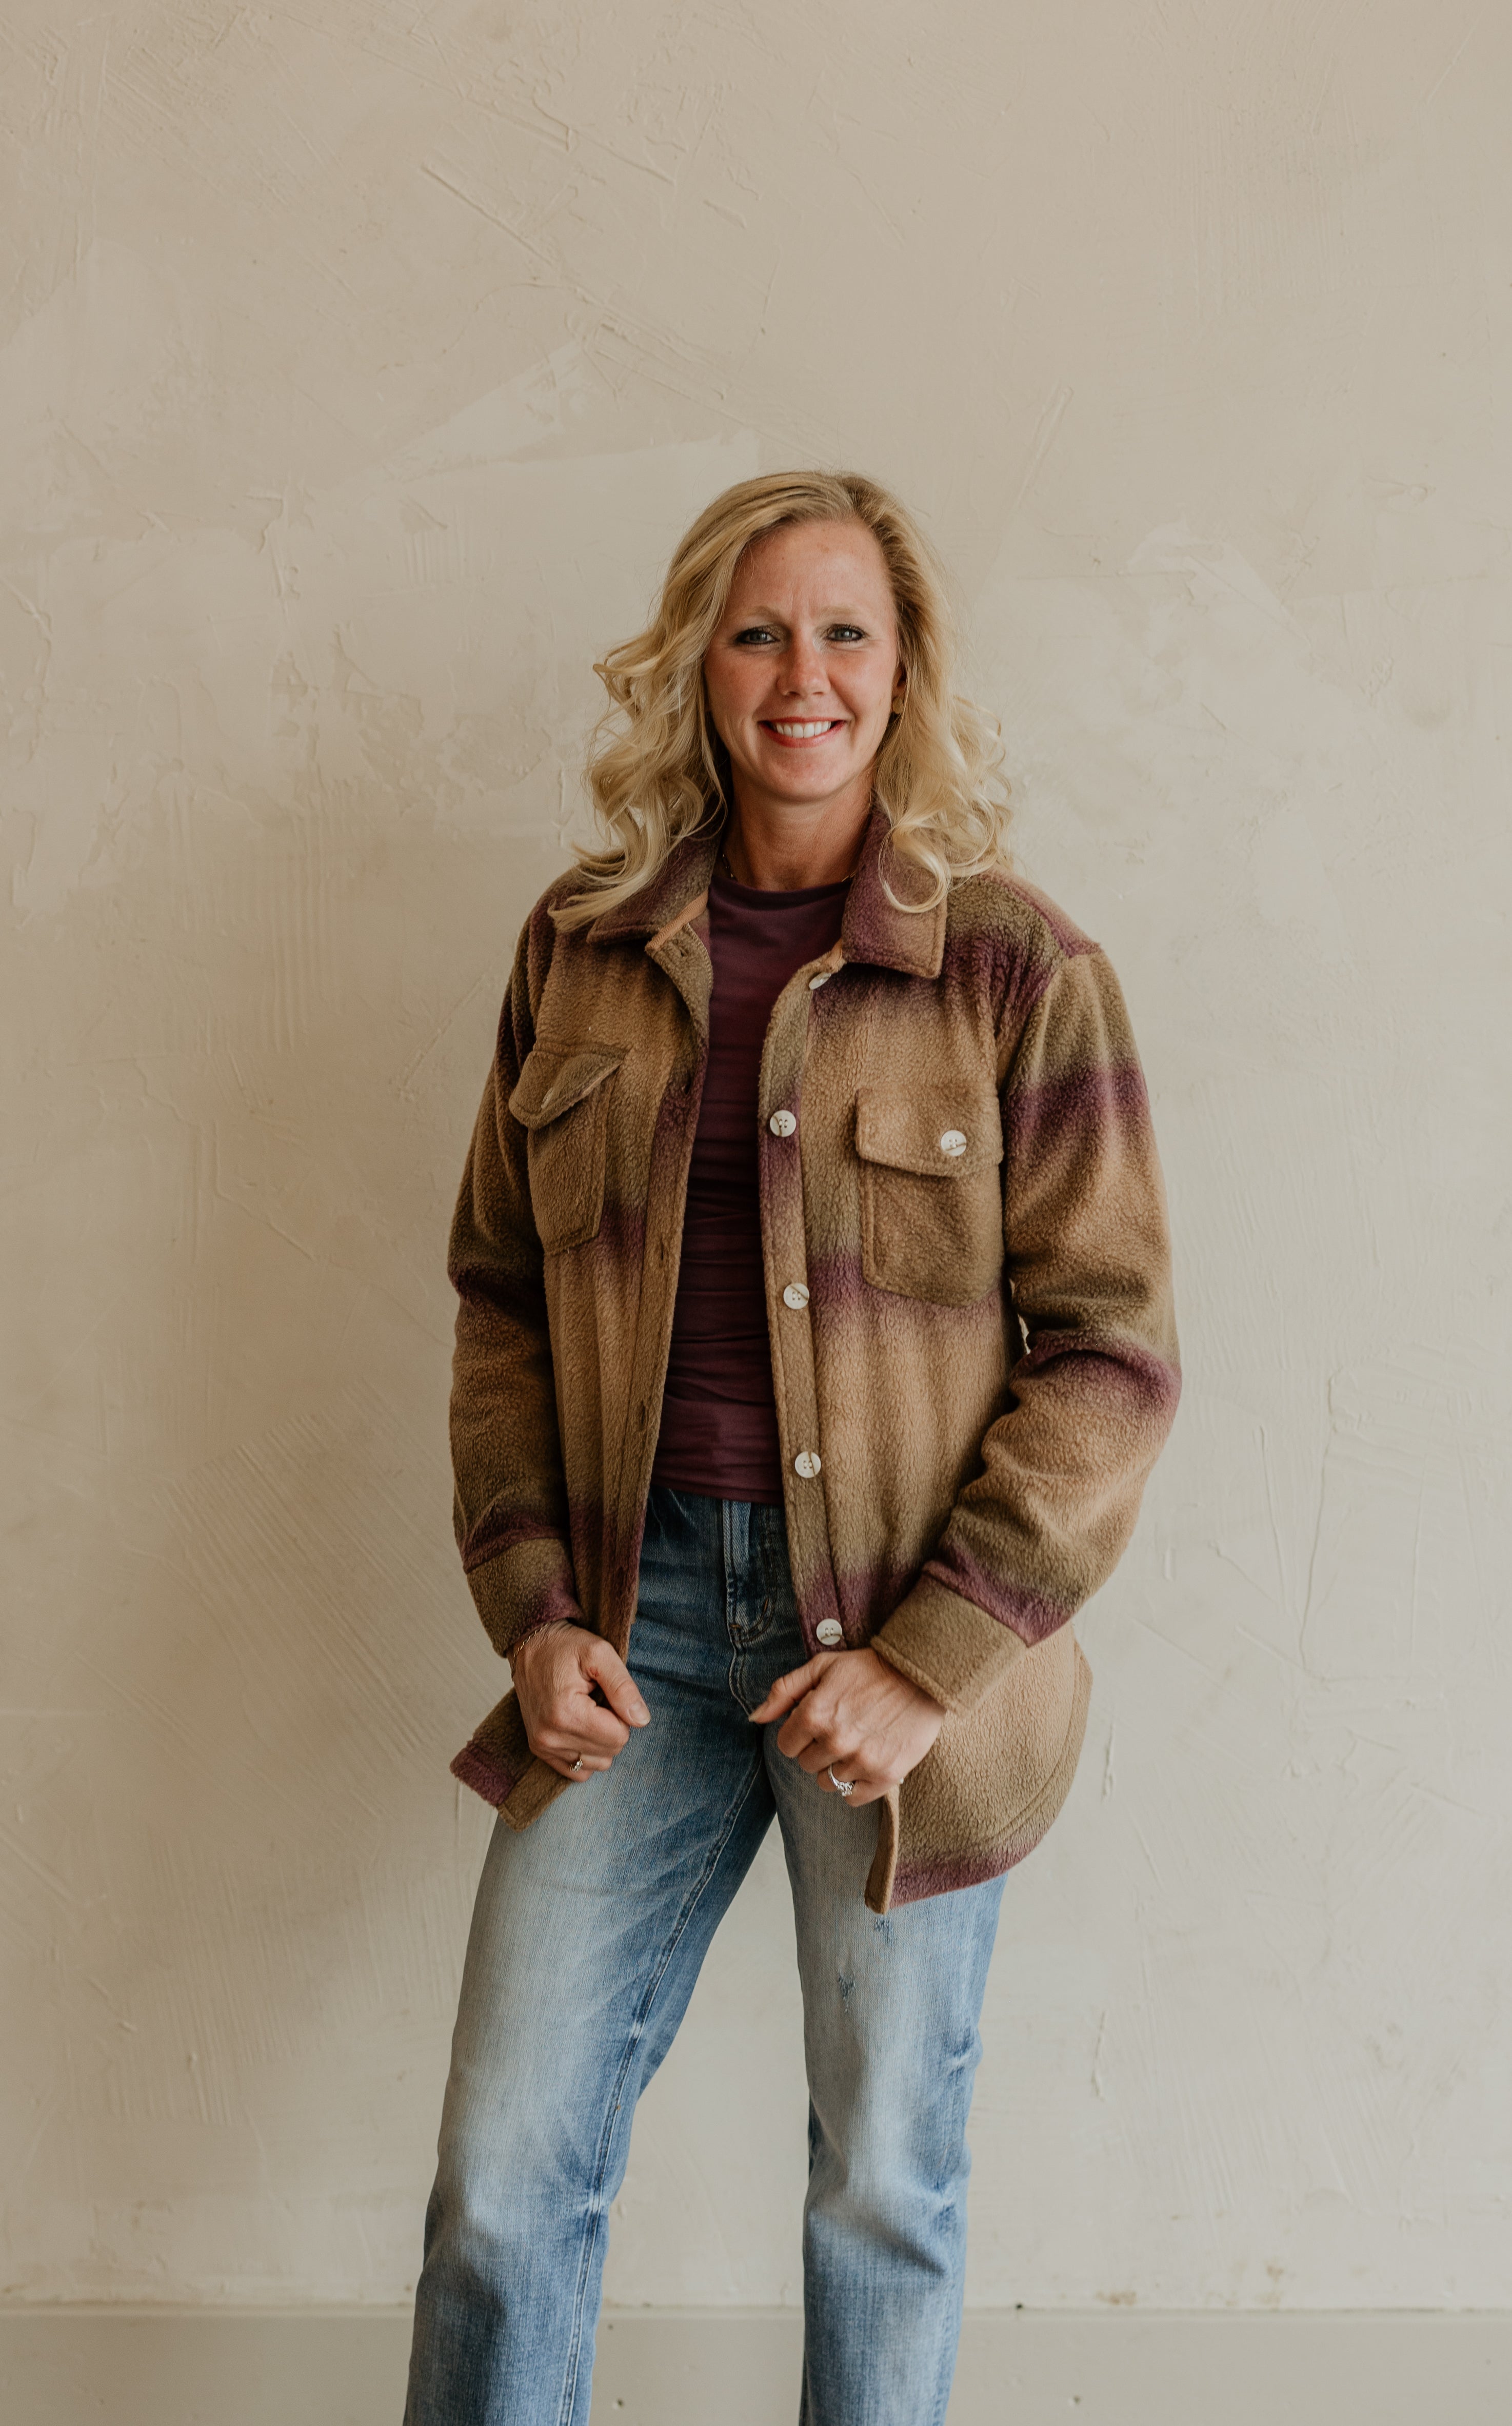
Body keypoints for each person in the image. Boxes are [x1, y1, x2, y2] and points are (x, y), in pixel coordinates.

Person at [403, 470, 1179, 2426]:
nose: (801, 674)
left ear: (903, 671)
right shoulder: (578, 949)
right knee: (502, 2179)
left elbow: (1111, 1354)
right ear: (697, 665)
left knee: (882, 2189)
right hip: (633, 1629)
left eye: (845, 631)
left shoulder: (1014, 966)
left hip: (909, 1645)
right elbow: (499, 1302)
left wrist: (930, 1659)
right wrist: (534, 1608)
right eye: (758, 632)